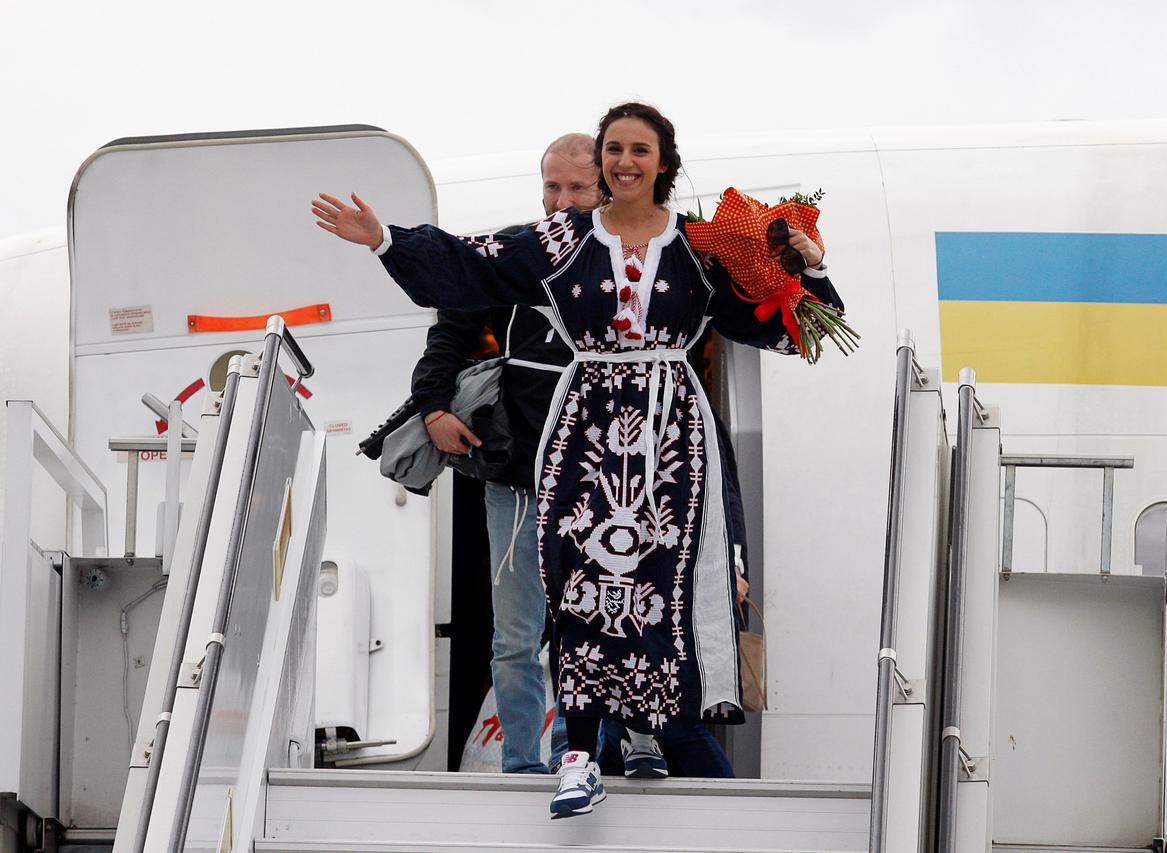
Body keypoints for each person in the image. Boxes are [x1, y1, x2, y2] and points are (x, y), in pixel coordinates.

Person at [312, 101, 840, 819]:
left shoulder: (700, 244)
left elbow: (774, 320)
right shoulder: (561, 240)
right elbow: (474, 266)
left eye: (640, 149)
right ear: (603, 157)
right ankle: (580, 759)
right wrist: (386, 242)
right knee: (581, 587)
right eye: (615, 147)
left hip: (670, 437)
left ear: (663, 161)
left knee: (663, 594)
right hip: (585, 429)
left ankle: (662, 743)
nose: (626, 161)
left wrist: (805, 268)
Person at [411, 133, 600, 775]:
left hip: (603, 487)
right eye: (552, 186)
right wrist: (434, 408)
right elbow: (448, 332)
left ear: (608, 189)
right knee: (515, 637)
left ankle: (583, 757)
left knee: (594, 633)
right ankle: (521, 766)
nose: (562, 201)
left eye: (578, 188)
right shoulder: (517, 255)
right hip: (516, 482)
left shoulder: (630, 262)